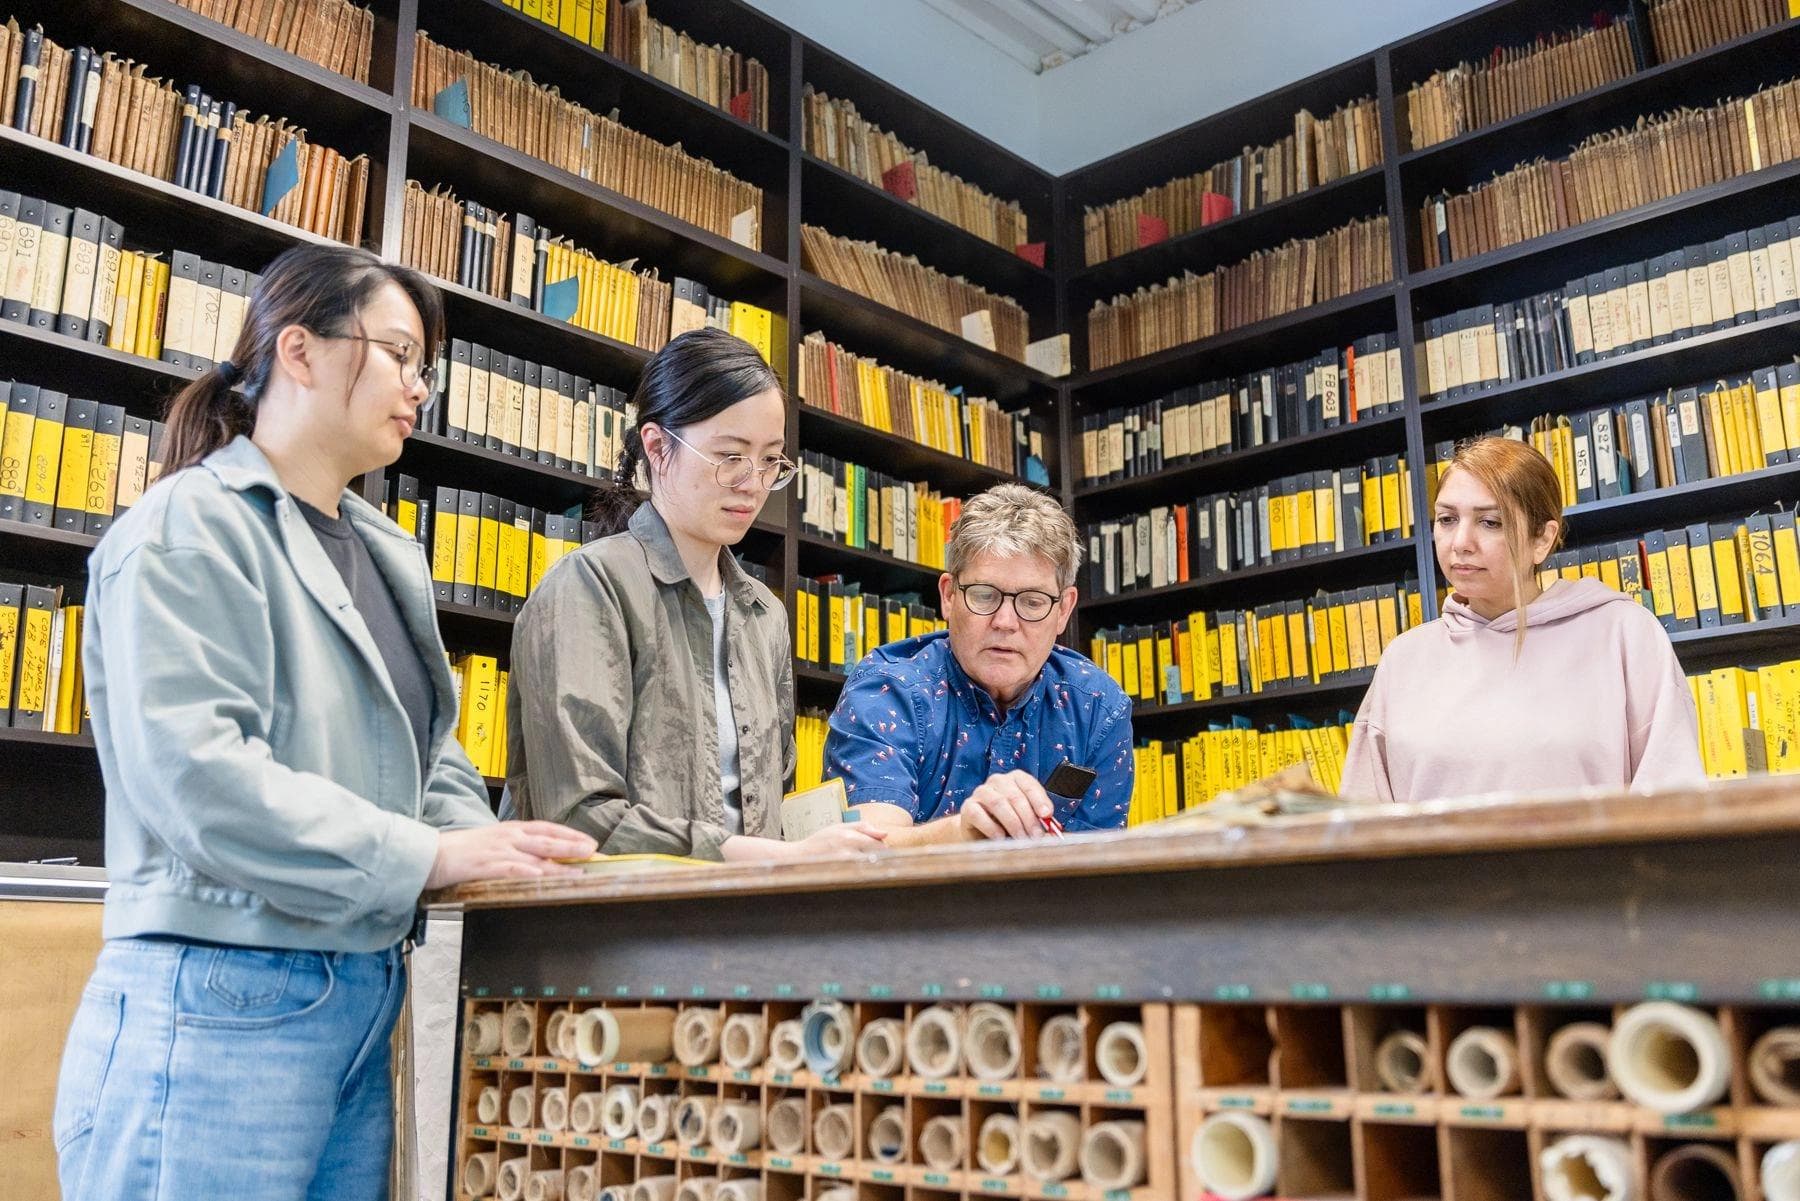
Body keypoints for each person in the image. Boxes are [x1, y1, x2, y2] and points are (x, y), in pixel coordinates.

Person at [53, 244, 596, 1199]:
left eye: (425, 365)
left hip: (359, 994)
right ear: (297, 351)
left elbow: (425, 761)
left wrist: (496, 847)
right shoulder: (185, 527)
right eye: (397, 353)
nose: (418, 387)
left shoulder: (388, 551)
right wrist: (431, 858)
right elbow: (202, 780)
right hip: (219, 993)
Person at [508, 327, 885, 860]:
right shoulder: (590, 587)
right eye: (730, 456)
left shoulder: (764, 615)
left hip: (740, 923)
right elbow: (579, 819)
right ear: (658, 447)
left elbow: (770, 800)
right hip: (616, 925)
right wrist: (764, 858)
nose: (752, 483)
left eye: (771, 461)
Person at [1340, 436, 1704, 802]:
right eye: (1447, 519)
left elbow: (1674, 797)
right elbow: (1363, 823)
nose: (1461, 542)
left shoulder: (1623, 634)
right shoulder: (1403, 660)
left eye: (1490, 522)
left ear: (1542, 540)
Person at [825, 483, 1134, 844]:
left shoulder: (1098, 708)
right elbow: (866, 851)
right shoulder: (886, 690)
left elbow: (1099, 871)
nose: (1005, 621)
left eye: (1032, 602)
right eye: (984, 596)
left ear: (1063, 609)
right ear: (949, 596)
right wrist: (962, 833)